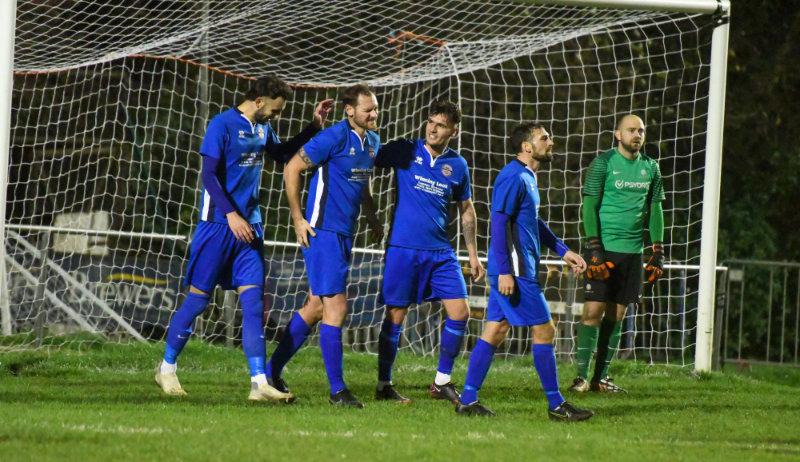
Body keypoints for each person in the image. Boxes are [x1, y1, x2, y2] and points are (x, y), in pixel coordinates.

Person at [154, 75, 334, 403]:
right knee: (198, 301)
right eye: (275, 110)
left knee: (253, 305)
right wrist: (230, 214)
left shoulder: (262, 127)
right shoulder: (221, 124)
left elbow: (282, 154)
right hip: (217, 226)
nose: (276, 116)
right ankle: (166, 369)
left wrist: (313, 127)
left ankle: (258, 383)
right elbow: (209, 175)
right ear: (259, 101)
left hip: (250, 230)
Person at [455, 122, 593, 421]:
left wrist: (563, 250)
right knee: (545, 329)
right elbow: (499, 222)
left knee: (496, 330)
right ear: (527, 147)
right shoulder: (513, 176)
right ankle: (556, 405)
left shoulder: (527, 177)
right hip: (515, 272)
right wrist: (505, 271)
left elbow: (532, 222)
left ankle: (467, 400)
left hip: (515, 268)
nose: (551, 142)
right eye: (545, 138)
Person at [370, 99, 484, 404]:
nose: (433, 129)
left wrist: (473, 254)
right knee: (396, 315)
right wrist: (368, 211)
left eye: (441, 125)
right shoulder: (406, 150)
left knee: (460, 312)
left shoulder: (458, 165)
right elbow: (364, 162)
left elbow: (466, 209)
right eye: (430, 122)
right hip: (403, 249)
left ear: (453, 131)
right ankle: (384, 384)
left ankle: (442, 382)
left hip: (441, 252)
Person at [282, 83, 382, 408]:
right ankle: (337, 391)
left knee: (315, 307)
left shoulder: (372, 141)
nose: (374, 114)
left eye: (376, 108)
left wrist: (372, 217)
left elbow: (362, 182)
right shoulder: (333, 137)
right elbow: (292, 167)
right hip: (322, 230)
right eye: (368, 109)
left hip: (344, 233)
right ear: (349, 110)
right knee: (336, 307)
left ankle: (270, 373)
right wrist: (298, 219)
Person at [569, 114, 665, 394]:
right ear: (618, 134)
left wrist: (658, 249)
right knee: (593, 310)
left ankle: (601, 378)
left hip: (632, 253)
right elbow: (589, 206)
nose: (637, 135)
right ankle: (581, 377)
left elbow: (655, 209)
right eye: (631, 130)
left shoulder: (651, 167)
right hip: (603, 250)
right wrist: (593, 247)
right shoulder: (603, 163)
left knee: (618, 313)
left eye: (641, 131)